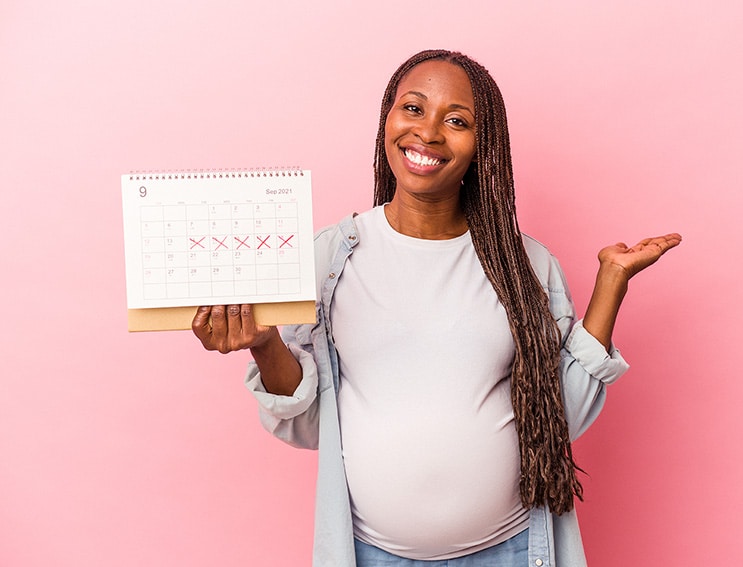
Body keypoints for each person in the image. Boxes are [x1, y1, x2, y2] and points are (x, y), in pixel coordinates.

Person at [192, 49, 681, 567]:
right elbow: (310, 422)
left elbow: (558, 418)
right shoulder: (329, 259)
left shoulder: (525, 266)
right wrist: (265, 343)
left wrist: (611, 285)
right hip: (372, 555)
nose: (427, 132)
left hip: (512, 550)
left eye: (457, 121)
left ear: (482, 144)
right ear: (387, 118)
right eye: (413, 108)